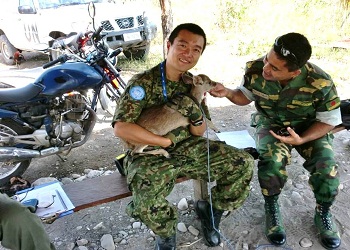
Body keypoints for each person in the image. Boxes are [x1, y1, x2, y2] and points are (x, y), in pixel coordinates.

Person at [112, 23, 254, 249]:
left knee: (242, 163)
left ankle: (211, 213)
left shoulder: (193, 82)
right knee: (146, 199)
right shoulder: (143, 83)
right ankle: (167, 235)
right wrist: (163, 142)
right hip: (150, 152)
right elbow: (121, 128)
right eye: (183, 45)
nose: (189, 53)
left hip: (189, 147)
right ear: (169, 45)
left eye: (196, 49)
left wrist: (198, 115)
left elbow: (199, 131)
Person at [209, 32, 342, 249]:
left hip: (308, 127)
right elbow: (245, 96)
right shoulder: (255, 69)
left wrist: (303, 139)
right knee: (271, 162)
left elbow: (329, 121)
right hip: (271, 124)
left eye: (274, 68)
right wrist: (228, 93)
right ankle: (271, 207)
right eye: (267, 59)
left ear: (295, 72)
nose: (266, 69)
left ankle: (323, 213)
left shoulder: (320, 82)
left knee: (326, 167)